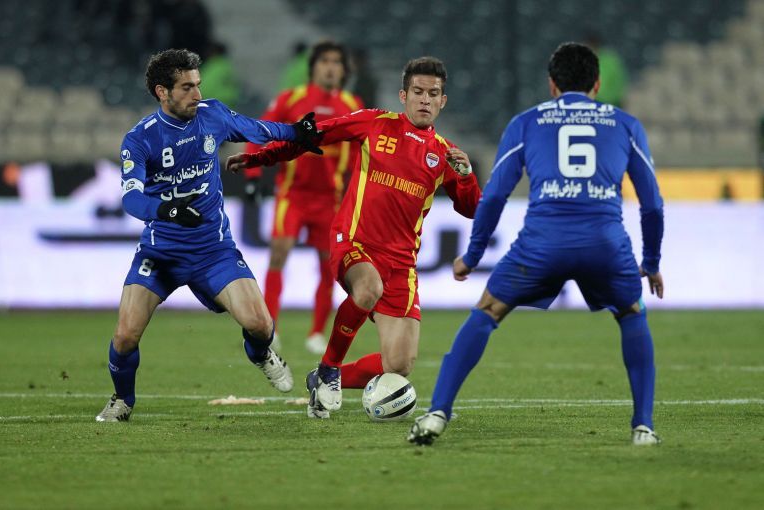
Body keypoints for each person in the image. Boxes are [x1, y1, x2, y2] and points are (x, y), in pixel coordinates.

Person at [408, 42, 664, 446]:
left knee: (487, 311)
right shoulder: (626, 124)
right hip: (604, 242)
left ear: (552, 85)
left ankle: (437, 413)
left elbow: (494, 195)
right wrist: (650, 262)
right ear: (597, 85)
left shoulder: (527, 122)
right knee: (632, 314)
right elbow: (652, 204)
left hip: (543, 243)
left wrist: (472, 256)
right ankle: (643, 427)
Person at [228, 57, 482, 419]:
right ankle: (329, 368)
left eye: (433, 93)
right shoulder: (374, 122)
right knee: (368, 288)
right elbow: (311, 136)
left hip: (401, 265)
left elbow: (472, 209)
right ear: (404, 95)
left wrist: (467, 176)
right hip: (355, 243)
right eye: (418, 91)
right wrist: (262, 159)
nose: (425, 99)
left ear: (443, 101)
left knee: (399, 365)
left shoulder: (444, 153)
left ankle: (321, 379)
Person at [95, 48, 322, 422]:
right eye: (187, 88)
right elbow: (131, 198)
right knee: (125, 336)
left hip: (213, 251)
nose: (197, 94)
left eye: (197, 85)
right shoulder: (139, 139)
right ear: (162, 92)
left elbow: (257, 129)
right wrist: (168, 210)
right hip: (161, 254)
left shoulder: (211, 114)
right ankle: (122, 399)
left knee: (261, 325)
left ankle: (261, 354)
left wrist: (297, 132)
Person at [243, 40, 364, 355]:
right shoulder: (291, 99)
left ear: (344, 70)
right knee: (278, 255)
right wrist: (253, 176)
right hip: (292, 195)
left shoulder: (352, 104)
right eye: (324, 61)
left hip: (330, 200)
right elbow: (258, 132)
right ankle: (270, 328)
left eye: (336, 62)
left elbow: (359, 153)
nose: (330, 67)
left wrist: (358, 192)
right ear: (313, 67)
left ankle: (316, 333)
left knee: (329, 266)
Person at [199, 41, 241, 108]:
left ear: (214, 52)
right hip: (227, 101)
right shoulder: (226, 65)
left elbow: (206, 86)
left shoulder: (215, 66)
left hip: (216, 102)